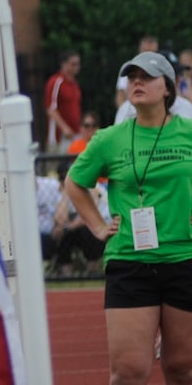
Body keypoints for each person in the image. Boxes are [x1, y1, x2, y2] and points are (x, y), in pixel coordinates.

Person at [65, 50, 192, 384]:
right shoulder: (109, 138)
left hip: (185, 259)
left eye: (146, 76)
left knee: (183, 368)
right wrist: (97, 226)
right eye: (132, 76)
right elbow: (75, 183)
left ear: (167, 88)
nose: (137, 81)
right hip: (130, 261)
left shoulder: (188, 132)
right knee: (129, 372)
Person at [44, 50, 82, 152]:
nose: (76, 67)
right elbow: (51, 109)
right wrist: (64, 127)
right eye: (73, 64)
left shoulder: (74, 84)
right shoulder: (56, 82)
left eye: (77, 64)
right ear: (64, 64)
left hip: (74, 133)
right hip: (59, 136)